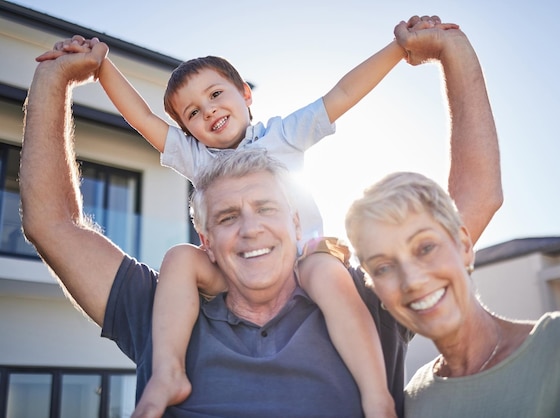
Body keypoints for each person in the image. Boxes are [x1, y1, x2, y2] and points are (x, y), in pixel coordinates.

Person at [21, 14, 502, 417]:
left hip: (314, 260)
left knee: (323, 272)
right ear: (205, 234)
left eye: (267, 207)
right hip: (200, 295)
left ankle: (376, 395)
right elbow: (58, 216)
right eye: (227, 216)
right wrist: (77, 71)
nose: (250, 227)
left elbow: (346, 94)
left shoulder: (363, 298)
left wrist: (424, 49)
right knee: (176, 259)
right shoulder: (169, 305)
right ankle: (168, 373)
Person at [345, 171, 560, 417]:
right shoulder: (414, 400)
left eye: (425, 248)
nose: (412, 281)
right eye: (384, 267)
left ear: (464, 246)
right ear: (375, 288)